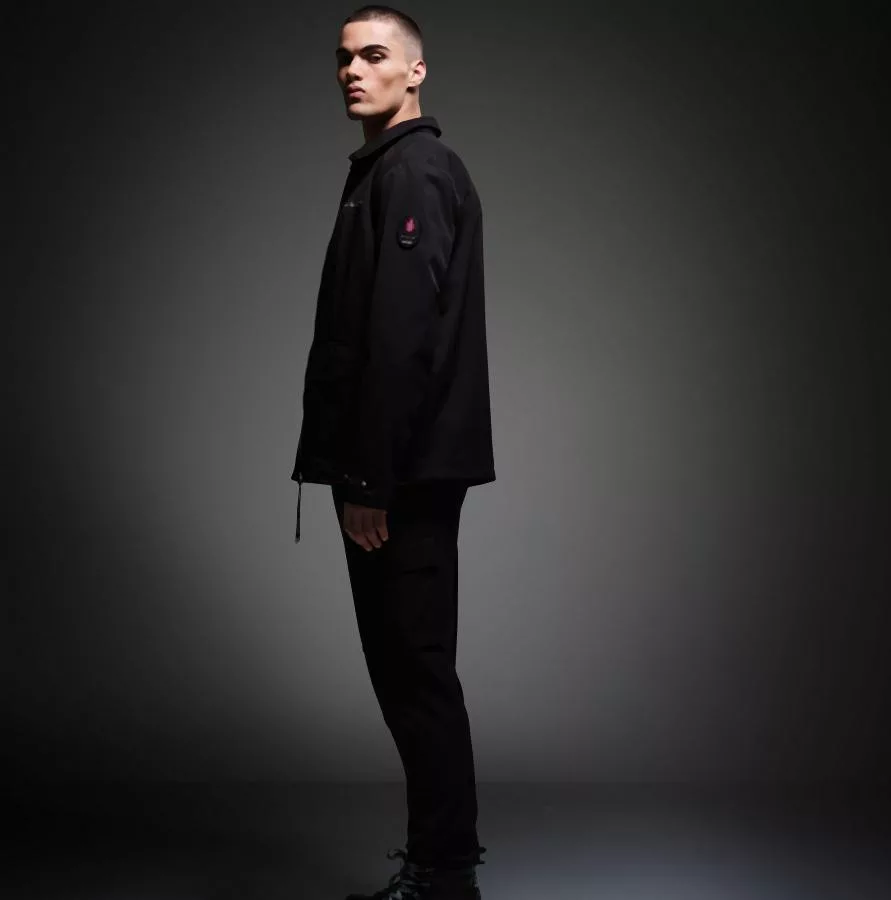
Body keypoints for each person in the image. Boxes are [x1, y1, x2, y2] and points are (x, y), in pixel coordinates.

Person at [288, 5, 495, 898]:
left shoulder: (413, 171)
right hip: (395, 470)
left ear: (416, 71)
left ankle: (444, 875)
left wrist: (369, 479)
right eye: (342, 57)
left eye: (373, 55)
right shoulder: (384, 171)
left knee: (415, 676)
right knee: (409, 675)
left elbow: (402, 337)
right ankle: (439, 868)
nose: (351, 70)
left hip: (400, 477)